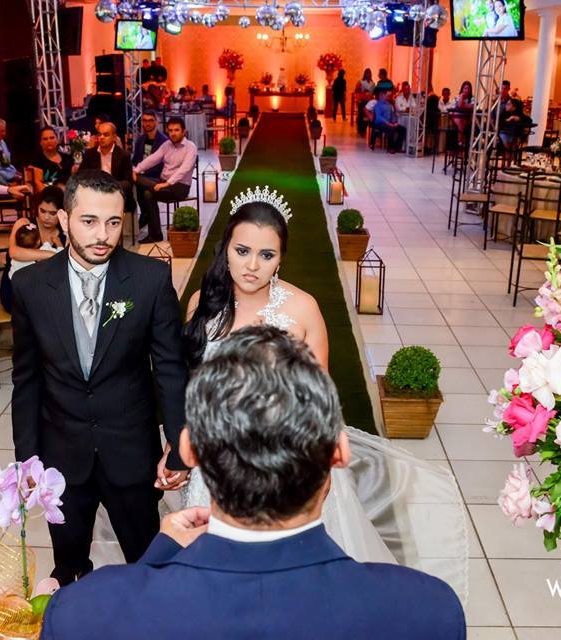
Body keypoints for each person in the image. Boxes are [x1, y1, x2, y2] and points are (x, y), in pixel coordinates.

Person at [39, 326, 467, 639]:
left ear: (189, 449)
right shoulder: (426, 612)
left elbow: (129, 607)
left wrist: (157, 560)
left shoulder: (82, 613)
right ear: (339, 452)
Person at [179, 188, 468, 607]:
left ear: (281, 258)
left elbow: (321, 398)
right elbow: (197, 387)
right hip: (218, 461)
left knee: (294, 583)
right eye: (242, 251)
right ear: (226, 248)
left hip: (287, 461)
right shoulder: (202, 305)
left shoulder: (302, 309)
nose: (252, 265)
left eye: (266, 255)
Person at [11, 170, 189, 585]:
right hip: (62, 455)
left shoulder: (150, 279)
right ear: (64, 218)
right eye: (89, 221)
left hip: (130, 450)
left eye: (113, 222)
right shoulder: (30, 286)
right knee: (69, 568)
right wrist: (27, 459)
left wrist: (178, 443)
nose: (103, 236)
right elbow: (27, 380)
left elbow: (169, 367)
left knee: (146, 566)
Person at [132, 116, 197, 244]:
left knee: (140, 183)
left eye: (176, 130)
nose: (173, 133)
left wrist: (167, 183)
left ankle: (154, 232)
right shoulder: (167, 145)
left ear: (184, 131)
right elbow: (153, 159)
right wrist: (137, 170)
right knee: (147, 194)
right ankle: (156, 235)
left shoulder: (190, 147)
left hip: (180, 187)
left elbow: (184, 169)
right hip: (162, 183)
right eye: (170, 130)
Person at [0, 186, 66, 312]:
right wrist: (51, 255)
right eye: (42, 211)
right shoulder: (24, 224)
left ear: (61, 213)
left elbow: (66, 263)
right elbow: (14, 252)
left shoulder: (65, 233)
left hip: (46, 290)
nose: (46, 217)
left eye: (52, 213)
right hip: (15, 288)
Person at [79, 122, 135, 214]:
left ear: (114, 137)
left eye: (106, 135)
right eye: (99, 134)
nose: (101, 137)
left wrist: (110, 187)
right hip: (95, 196)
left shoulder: (123, 155)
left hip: (116, 195)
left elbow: (128, 182)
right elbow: (81, 176)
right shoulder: (90, 154)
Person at [28, 126, 74, 193]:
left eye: (52, 138)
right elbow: (38, 184)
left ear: (57, 140)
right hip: (50, 195)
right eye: (45, 139)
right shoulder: (36, 162)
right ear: (40, 142)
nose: (49, 141)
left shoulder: (68, 158)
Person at [132, 112, 169, 182]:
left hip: (156, 177)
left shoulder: (164, 141)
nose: (147, 123)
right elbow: (135, 160)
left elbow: (164, 165)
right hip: (140, 174)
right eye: (145, 120)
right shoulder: (140, 140)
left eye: (150, 120)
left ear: (156, 122)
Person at [0, 117, 21, 184]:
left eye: (4, 131)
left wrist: (15, 172)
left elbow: (7, 164)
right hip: (0, 182)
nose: (4, 134)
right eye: (2, 131)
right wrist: (12, 177)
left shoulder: (2, 142)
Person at [451, 81, 474, 145]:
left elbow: (471, 106)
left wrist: (463, 105)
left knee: (462, 120)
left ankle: (460, 140)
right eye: (465, 88)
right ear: (462, 89)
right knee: (460, 120)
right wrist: (461, 96)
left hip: (467, 117)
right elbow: (457, 106)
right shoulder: (457, 97)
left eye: (468, 88)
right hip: (455, 117)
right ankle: (460, 140)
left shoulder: (472, 98)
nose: (466, 90)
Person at [355, 68, 375, 136]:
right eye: (367, 73)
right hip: (362, 100)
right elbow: (356, 90)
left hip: (369, 101)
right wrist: (362, 91)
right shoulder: (361, 82)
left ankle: (364, 129)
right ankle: (360, 129)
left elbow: (373, 92)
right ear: (365, 74)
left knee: (367, 116)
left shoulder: (372, 83)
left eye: (369, 73)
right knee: (361, 115)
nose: (368, 75)